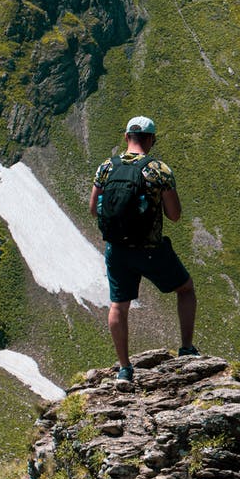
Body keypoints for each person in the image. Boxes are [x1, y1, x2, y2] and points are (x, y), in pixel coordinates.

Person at [90, 115, 197, 382]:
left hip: (117, 249)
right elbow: (174, 215)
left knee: (119, 305)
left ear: (126, 137)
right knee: (185, 289)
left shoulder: (106, 167)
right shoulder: (158, 170)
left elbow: (94, 208)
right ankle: (186, 349)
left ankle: (125, 369)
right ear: (150, 140)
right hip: (150, 249)